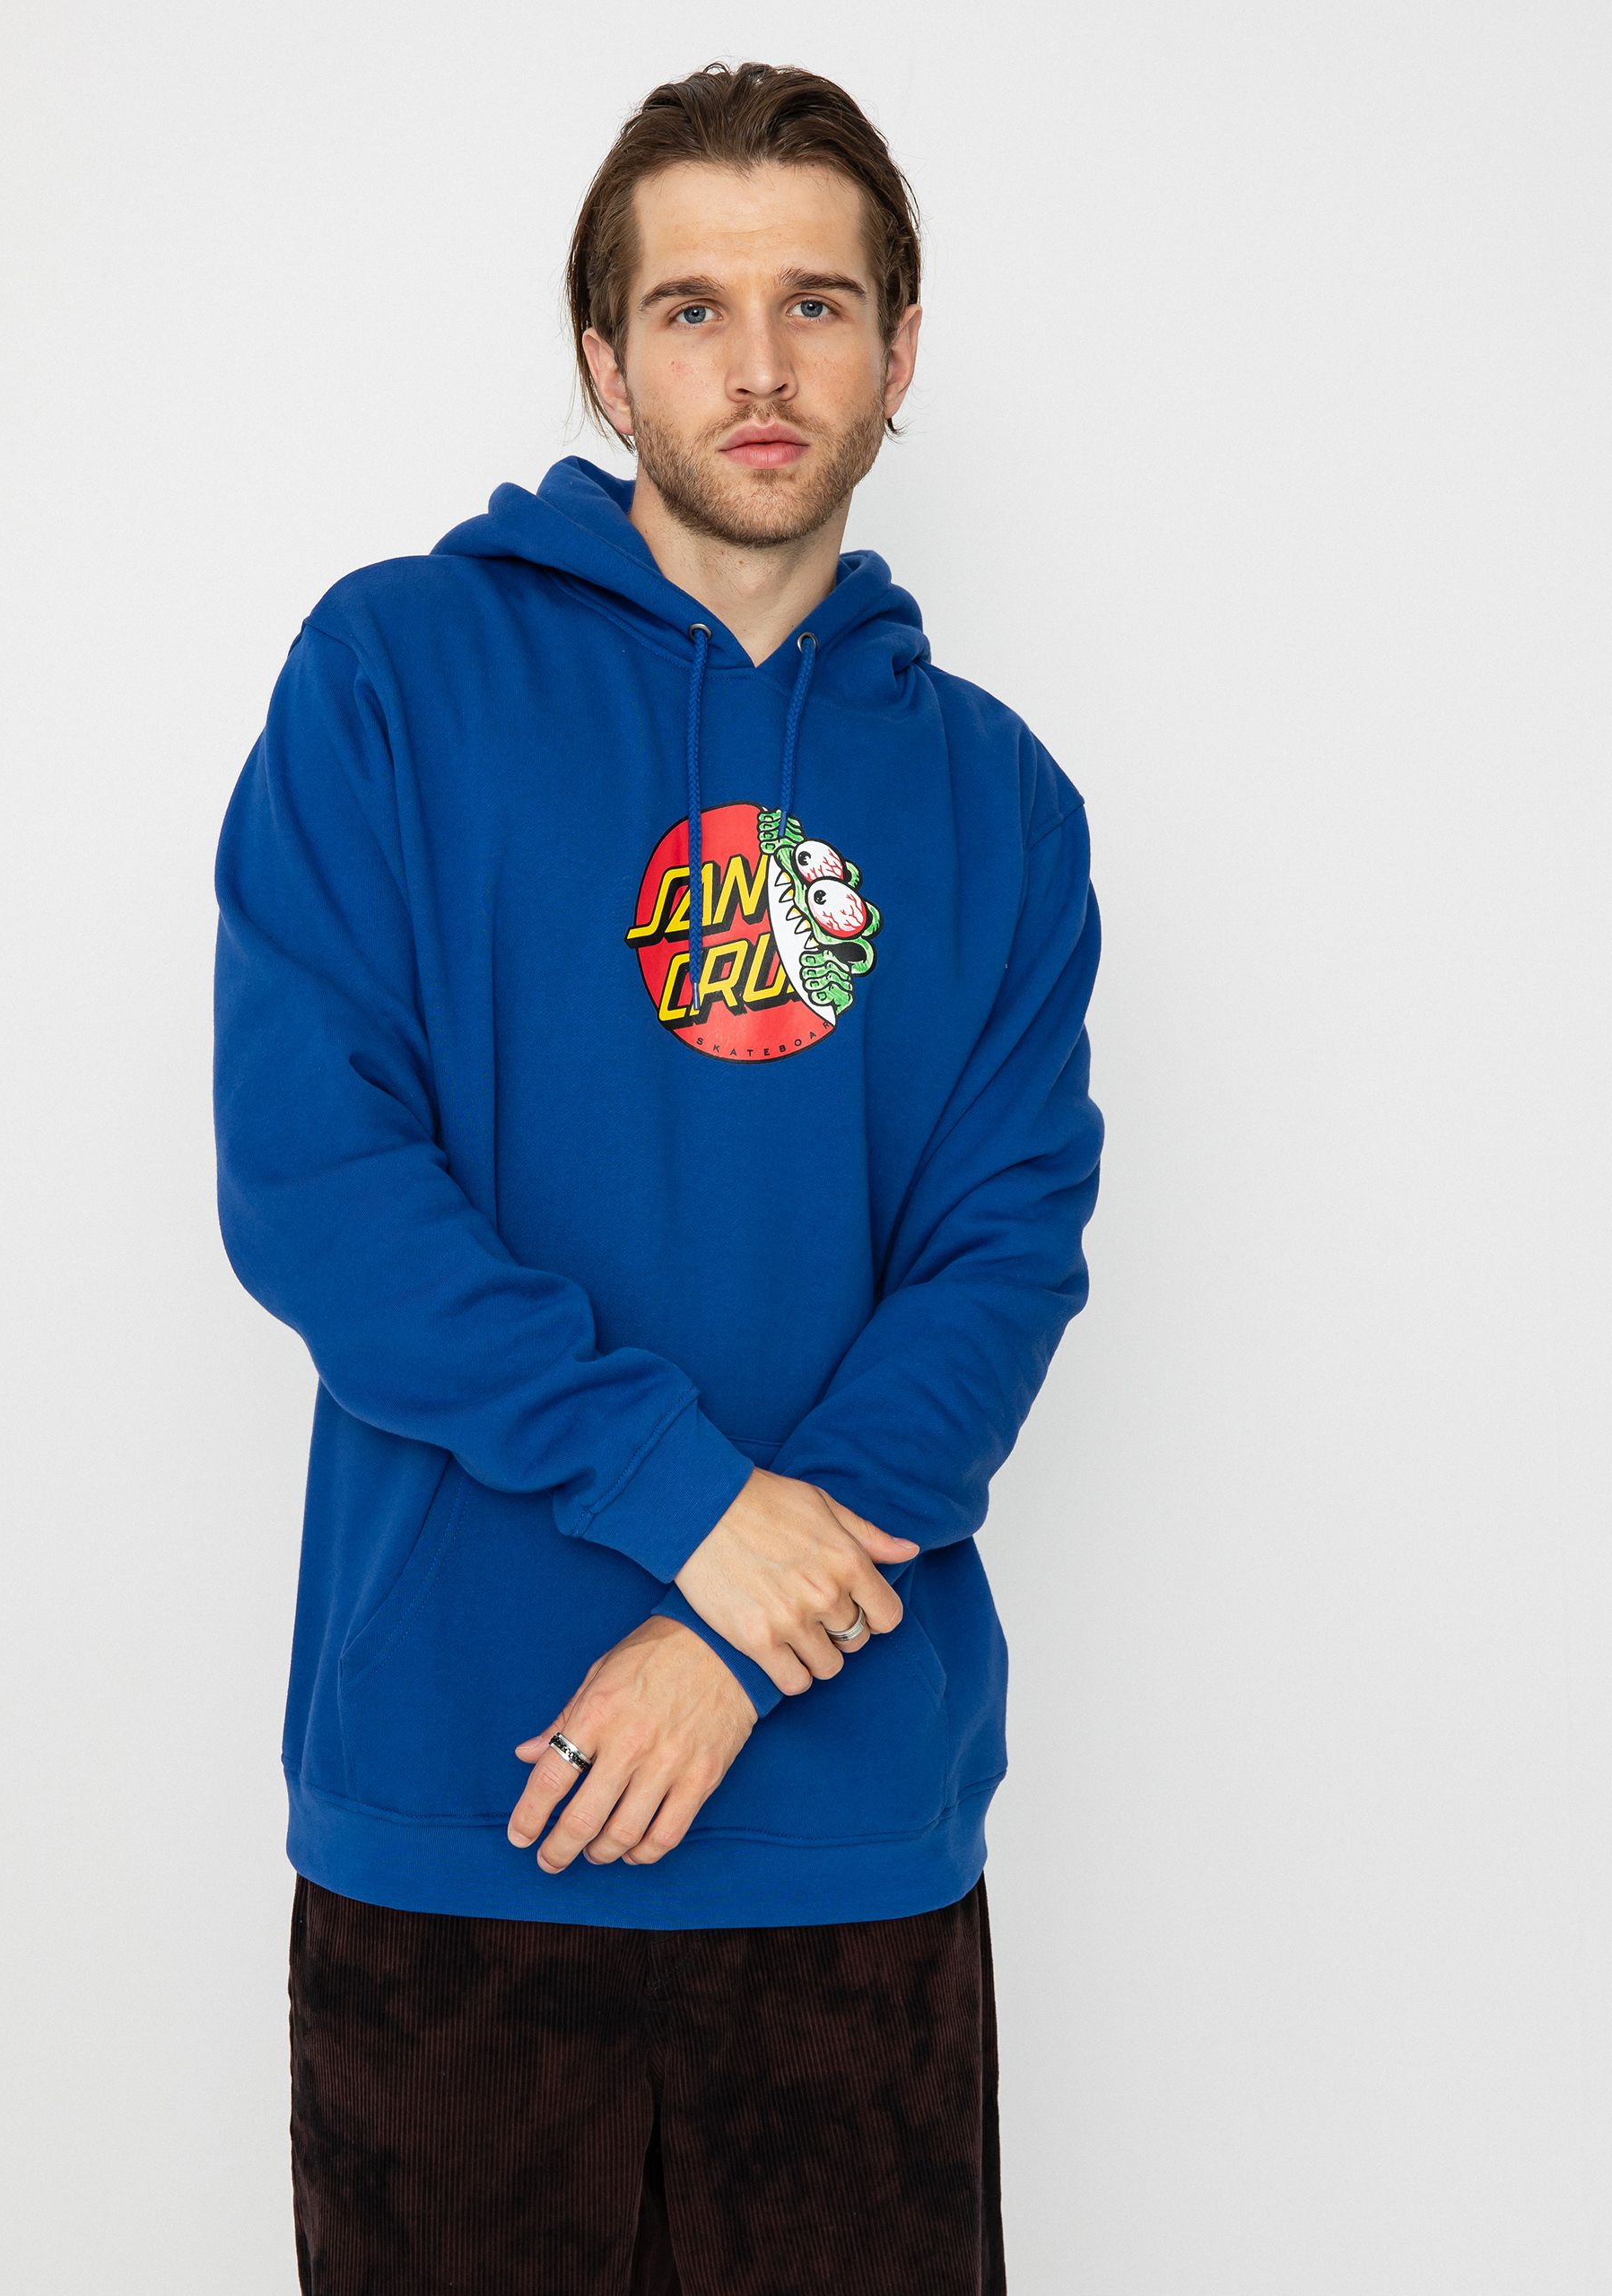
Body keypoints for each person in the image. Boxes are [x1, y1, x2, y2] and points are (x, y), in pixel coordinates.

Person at [213, 58, 1102, 2296]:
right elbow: (319, 1179)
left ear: (901, 350)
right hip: (468, 1803)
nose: (761, 364)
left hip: (849, 1835)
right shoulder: (393, 677)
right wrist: (692, 1504)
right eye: (694, 308)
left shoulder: (1002, 803)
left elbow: (999, 1266)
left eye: (819, 303)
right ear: (607, 361)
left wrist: (725, 1632)